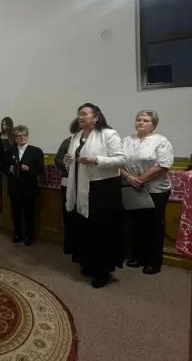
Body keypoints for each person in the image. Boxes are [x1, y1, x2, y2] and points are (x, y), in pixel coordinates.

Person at [65, 103, 126, 288]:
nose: (80, 117)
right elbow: (74, 160)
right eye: (79, 114)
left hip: (103, 189)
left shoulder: (108, 134)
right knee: (85, 228)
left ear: (96, 117)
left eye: (84, 113)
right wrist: (69, 160)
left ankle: (102, 271)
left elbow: (121, 159)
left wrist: (96, 160)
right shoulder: (76, 136)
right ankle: (89, 264)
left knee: (101, 231)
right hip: (81, 186)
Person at [122, 110, 174, 274]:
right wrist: (129, 177)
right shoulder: (127, 140)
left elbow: (163, 164)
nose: (141, 123)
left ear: (153, 124)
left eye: (145, 120)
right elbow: (117, 161)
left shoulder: (161, 141)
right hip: (132, 187)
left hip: (155, 189)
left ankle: (153, 261)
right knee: (136, 224)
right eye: (138, 119)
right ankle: (138, 257)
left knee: (153, 226)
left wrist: (141, 179)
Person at [4, 125, 45, 246]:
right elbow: (3, 166)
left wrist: (29, 169)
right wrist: (9, 169)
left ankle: (29, 236)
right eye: (19, 135)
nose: (22, 137)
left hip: (29, 187)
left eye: (24, 135)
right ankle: (17, 234)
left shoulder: (36, 151)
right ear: (15, 138)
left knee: (29, 213)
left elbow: (40, 169)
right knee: (16, 213)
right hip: (14, 187)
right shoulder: (10, 151)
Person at [54, 118, 80, 259]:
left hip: (84, 184)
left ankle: (80, 249)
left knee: (80, 216)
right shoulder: (67, 141)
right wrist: (65, 163)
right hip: (67, 182)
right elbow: (57, 159)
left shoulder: (92, 143)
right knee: (68, 215)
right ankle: (69, 245)